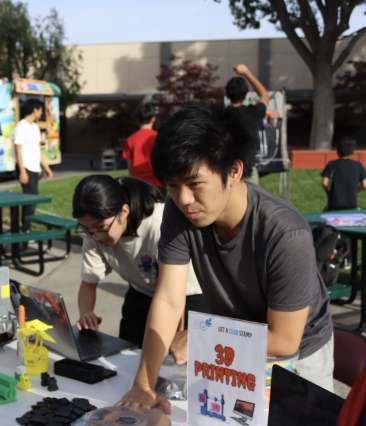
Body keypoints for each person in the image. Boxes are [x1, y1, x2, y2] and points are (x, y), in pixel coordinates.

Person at [117, 103, 334, 413]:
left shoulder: (286, 233)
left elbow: (284, 340)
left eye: (194, 183)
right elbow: (168, 299)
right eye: (172, 186)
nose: (183, 199)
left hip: (297, 354)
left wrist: (205, 336)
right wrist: (143, 384)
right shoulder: (181, 211)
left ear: (234, 171)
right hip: (230, 343)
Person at [72, 175, 203, 347]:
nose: (94, 236)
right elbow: (89, 282)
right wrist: (86, 312)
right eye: (85, 228)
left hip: (188, 297)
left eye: (100, 227)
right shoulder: (93, 234)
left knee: (173, 362)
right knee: (126, 353)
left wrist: (176, 337)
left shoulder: (159, 225)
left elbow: (174, 297)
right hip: (142, 292)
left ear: (124, 211)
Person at [14, 98, 54, 232]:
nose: (41, 113)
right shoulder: (21, 126)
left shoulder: (35, 127)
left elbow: (38, 150)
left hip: (34, 168)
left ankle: (25, 228)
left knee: (31, 199)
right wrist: (22, 171)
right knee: (32, 198)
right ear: (35, 110)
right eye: (41, 110)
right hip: (25, 167)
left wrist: (47, 168)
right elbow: (17, 150)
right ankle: (25, 229)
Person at [226, 64, 269, 185]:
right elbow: (264, 95)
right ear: (246, 95)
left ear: (228, 95)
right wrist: (246, 72)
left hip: (226, 170)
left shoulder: (221, 115)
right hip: (248, 170)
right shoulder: (253, 113)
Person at [122, 103, 166, 196]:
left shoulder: (131, 139)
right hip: (158, 184)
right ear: (153, 119)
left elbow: (129, 162)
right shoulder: (159, 137)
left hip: (138, 185)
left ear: (137, 119)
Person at [321, 137, 366, 211]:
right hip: (352, 202)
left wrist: (328, 192)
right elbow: (364, 184)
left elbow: (324, 182)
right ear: (352, 151)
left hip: (335, 201)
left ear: (337, 151)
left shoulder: (332, 164)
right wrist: (355, 191)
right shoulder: (358, 165)